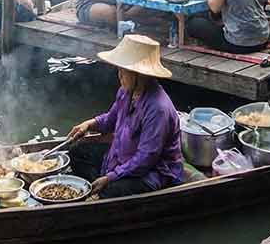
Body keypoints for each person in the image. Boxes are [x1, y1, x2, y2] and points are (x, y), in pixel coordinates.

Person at [66, 34, 183, 197]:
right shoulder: (126, 92)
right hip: (121, 156)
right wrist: (89, 124)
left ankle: (100, 191)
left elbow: (146, 158)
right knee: (78, 151)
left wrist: (110, 178)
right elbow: (110, 120)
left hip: (152, 172)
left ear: (139, 74)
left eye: (123, 70)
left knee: (111, 190)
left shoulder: (158, 108)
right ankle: (96, 190)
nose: (119, 75)